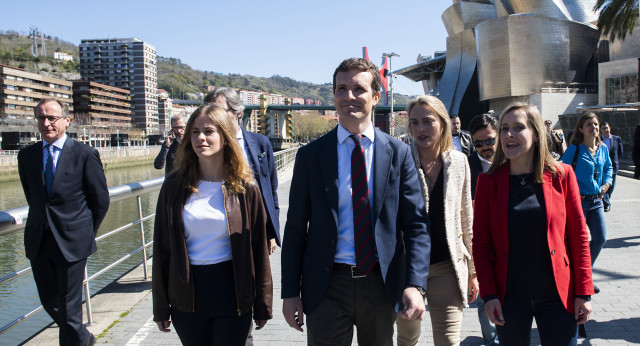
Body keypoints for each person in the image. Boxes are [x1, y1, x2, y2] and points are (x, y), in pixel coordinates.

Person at [281, 58, 431, 345]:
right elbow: (296, 229)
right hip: (326, 286)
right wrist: (290, 292)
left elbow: (416, 226)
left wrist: (415, 284)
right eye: (341, 89)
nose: (348, 96)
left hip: (380, 282)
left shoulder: (399, 154)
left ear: (376, 96)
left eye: (358, 89)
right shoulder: (311, 156)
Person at [473, 102, 593, 345]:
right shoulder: (487, 182)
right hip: (510, 298)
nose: (509, 135)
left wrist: (584, 292)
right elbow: (482, 244)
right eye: (504, 128)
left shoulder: (562, 175)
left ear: (536, 134)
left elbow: (579, 237)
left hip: (558, 296)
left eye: (518, 127)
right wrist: (489, 295)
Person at [152, 105, 273, 345]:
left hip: (233, 292)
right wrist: (160, 306)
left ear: (225, 137)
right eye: (195, 132)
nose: (200, 138)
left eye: (208, 131)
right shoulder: (173, 186)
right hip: (187, 294)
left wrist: (263, 303)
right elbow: (162, 249)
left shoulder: (245, 188)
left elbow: (258, 249)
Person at [18, 99, 110, 346]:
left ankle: (77, 339)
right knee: (50, 302)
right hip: (39, 241)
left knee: (69, 312)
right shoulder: (26, 156)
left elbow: (100, 200)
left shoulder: (84, 154)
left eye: (52, 118)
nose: (46, 123)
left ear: (66, 120)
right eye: (41, 118)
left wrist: (85, 234)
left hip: (73, 243)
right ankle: (84, 338)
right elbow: (34, 199)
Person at [395, 95, 477, 346]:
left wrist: (473, 272)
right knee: (408, 338)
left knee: (449, 341)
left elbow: (466, 216)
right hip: (407, 268)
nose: (421, 129)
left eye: (428, 121)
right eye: (415, 122)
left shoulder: (459, 161)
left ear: (443, 123)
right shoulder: (400, 159)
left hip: (448, 266)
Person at [203, 87, 280, 255]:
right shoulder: (204, 147)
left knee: (257, 278)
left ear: (238, 112)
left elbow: (270, 189)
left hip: (255, 227)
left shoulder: (261, 143)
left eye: (220, 111)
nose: (215, 117)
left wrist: (271, 232)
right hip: (218, 230)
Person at [561, 112, 612, 294]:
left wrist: (607, 183)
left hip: (596, 201)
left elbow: (609, 168)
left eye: (596, 124)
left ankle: (585, 274)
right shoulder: (574, 150)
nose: (594, 128)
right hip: (578, 203)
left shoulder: (603, 148)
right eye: (589, 124)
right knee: (578, 242)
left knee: (600, 239)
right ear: (581, 129)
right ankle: (581, 279)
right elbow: (561, 171)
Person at [467, 113, 499, 345]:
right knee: (484, 298)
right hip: (481, 243)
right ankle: (491, 341)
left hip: (511, 243)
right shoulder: (466, 167)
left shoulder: (515, 162)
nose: (485, 147)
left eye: (489, 141)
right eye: (478, 143)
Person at [599, 122, 623, 212]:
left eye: (606, 128)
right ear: (600, 130)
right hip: (602, 167)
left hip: (613, 166)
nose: (605, 130)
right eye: (603, 128)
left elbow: (620, 152)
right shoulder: (598, 140)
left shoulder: (616, 139)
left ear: (609, 128)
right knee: (605, 184)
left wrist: (614, 161)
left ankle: (606, 199)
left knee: (611, 186)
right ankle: (607, 204)